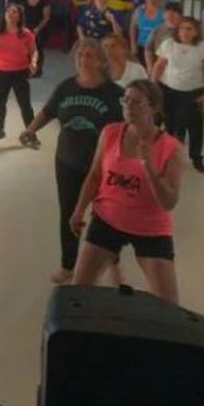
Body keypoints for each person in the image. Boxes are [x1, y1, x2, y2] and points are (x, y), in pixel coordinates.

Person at [19, 39, 124, 285]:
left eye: (90, 56)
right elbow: (49, 111)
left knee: (105, 216)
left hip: (103, 166)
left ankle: (111, 260)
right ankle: (68, 264)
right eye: (80, 55)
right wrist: (30, 129)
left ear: (101, 61)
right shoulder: (66, 87)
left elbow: (127, 128)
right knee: (68, 213)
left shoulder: (114, 94)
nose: (83, 60)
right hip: (68, 161)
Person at [71, 80, 184, 303]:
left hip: (149, 228)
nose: (129, 106)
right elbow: (95, 176)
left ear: (153, 107)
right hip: (107, 220)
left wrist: (149, 167)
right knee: (77, 293)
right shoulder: (110, 133)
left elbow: (169, 202)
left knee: (170, 307)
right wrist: (79, 210)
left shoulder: (171, 147)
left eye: (137, 102)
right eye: (126, 100)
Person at [151, 17, 204, 173]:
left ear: (196, 32)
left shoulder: (203, 46)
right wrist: (152, 88)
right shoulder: (168, 44)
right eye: (181, 28)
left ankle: (196, 157)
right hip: (169, 91)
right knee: (170, 126)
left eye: (189, 29)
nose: (184, 32)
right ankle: (167, 157)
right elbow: (159, 66)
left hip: (194, 93)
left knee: (195, 128)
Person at [0, 4, 37, 140]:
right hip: (1, 72)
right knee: (0, 103)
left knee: (25, 105)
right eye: (8, 11)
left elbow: (33, 51)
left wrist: (33, 62)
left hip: (21, 73)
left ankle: (31, 132)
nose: (11, 14)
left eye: (15, 12)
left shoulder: (26, 34)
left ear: (19, 17)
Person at [15, 0, 51, 78]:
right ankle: (25, 69)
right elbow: (20, 15)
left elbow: (46, 17)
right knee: (24, 50)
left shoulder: (44, 1)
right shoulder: (23, 1)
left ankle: (37, 71)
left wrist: (38, 29)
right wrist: (23, 27)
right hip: (26, 28)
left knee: (37, 49)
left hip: (40, 28)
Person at [128, 0, 164, 66]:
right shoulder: (138, 11)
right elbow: (132, 28)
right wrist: (133, 44)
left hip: (157, 48)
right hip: (141, 46)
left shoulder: (163, 13)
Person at [144, 1, 182, 73]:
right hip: (159, 68)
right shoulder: (157, 30)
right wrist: (150, 67)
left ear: (180, 16)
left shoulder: (185, 29)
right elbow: (148, 49)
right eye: (167, 13)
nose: (170, 16)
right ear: (164, 15)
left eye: (174, 14)